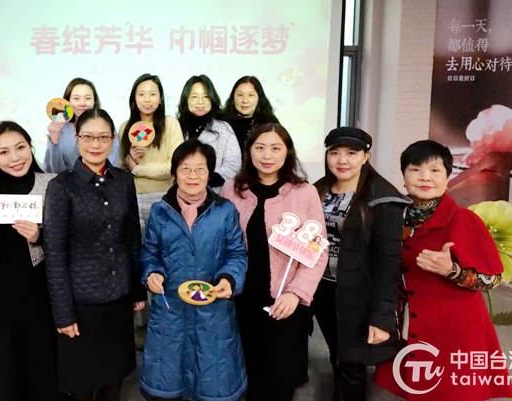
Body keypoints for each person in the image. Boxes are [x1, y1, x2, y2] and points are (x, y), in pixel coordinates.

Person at [374, 140, 512, 401]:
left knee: (453, 392)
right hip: (411, 322)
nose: (425, 177)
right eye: (415, 169)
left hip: (454, 328)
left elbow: (493, 279)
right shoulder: (394, 218)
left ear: (448, 177)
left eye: (435, 170)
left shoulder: (464, 219)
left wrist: (452, 270)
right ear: (404, 176)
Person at [42, 109, 146, 401]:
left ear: (113, 140)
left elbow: (132, 238)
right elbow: (55, 254)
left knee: (114, 379)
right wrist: (63, 313)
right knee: (82, 382)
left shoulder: (124, 181)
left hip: (118, 297)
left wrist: (137, 288)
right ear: (76, 138)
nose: (96, 144)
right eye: (88, 137)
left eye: (103, 137)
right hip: (81, 303)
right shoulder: (61, 187)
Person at [221, 124, 328, 400]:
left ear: (287, 152)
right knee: (247, 371)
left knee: (279, 377)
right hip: (243, 297)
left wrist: (296, 293)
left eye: (275, 148)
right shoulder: (232, 188)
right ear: (249, 152)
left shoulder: (304, 192)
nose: (267, 155)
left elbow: (317, 252)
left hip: (285, 299)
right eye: (260, 148)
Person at [140, 139, 248, 401]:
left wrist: (229, 279)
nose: (193, 176)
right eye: (185, 169)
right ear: (174, 173)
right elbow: (149, 252)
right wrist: (152, 272)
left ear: (209, 174)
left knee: (212, 380)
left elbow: (237, 254)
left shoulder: (225, 210)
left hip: (213, 311)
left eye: (200, 169)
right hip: (170, 309)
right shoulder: (159, 211)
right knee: (169, 382)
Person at [310, 127, 409, 400]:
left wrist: (382, 317)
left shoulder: (382, 198)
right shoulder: (317, 190)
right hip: (322, 288)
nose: (342, 160)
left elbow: (388, 264)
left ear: (366, 156)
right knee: (338, 353)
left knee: (352, 361)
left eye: (351, 153)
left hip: (358, 293)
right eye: (335, 153)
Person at [0, 122, 58, 400]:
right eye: (4, 152)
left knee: (39, 354)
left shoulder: (53, 184)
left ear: (30, 147)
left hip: (40, 287)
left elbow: (69, 238)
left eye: (20, 147)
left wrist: (40, 236)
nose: (15, 157)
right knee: (1, 357)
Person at [119, 73, 184, 230]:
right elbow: (119, 168)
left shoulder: (171, 124)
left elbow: (174, 166)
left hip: (163, 196)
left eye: (152, 94)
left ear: (160, 99)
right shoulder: (125, 128)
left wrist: (137, 169)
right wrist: (130, 163)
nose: (147, 99)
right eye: (141, 94)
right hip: (131, 198)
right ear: (134, 98)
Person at [177, 75, 241, 189]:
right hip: (181, 192)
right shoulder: (176, 127)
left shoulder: (223, 128)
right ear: (186, 99)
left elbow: (234, 164)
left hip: (214, 192)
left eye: (206, 96)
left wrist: (208, 179)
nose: (200, 102)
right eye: (194, 97)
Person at [44, 78, 120, 173]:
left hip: (102, 181)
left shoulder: (106, 126)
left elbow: (113, 165)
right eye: (76, 98)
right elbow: (54, 171)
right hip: (67, 181)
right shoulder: (59, 129)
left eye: (88, 98)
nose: (82, 103)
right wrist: (54, 141)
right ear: (68, 101)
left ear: (94, 101)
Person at [222, 76, 279, 151]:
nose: (245, 100)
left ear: (259, 98)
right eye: (240, 95)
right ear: (233, 97)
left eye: (251, 95)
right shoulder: (221, 121)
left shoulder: (269, 122)